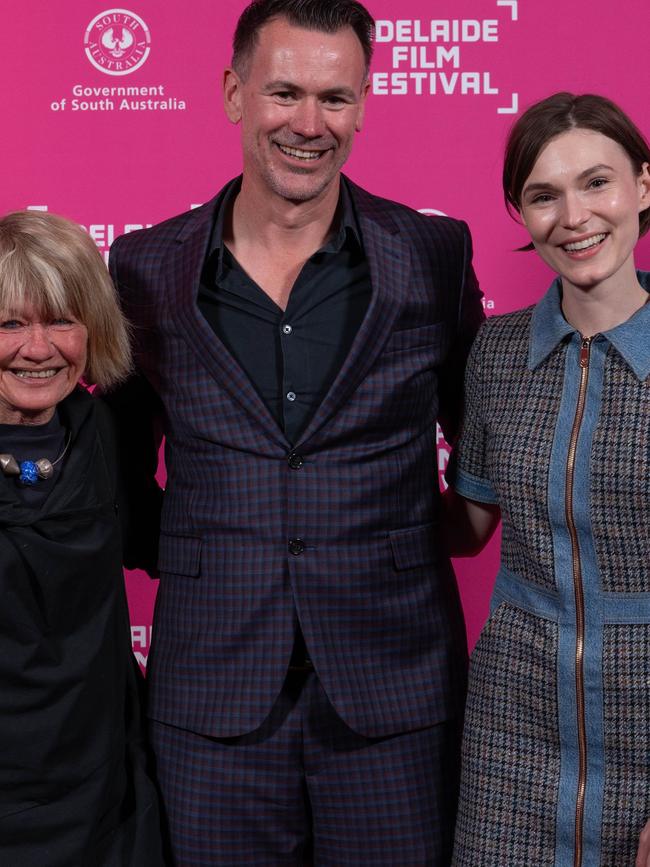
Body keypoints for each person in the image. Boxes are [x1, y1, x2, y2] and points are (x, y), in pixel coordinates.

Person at [106, 0, 484, 863]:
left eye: (336, 98)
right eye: (284, 93)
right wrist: (212, 552)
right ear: (235, 93)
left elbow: (489, 444)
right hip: (211, 697)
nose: (309, 124)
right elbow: (121, 470)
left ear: (364, 103)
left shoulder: (433, 256)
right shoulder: (144, 268)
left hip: (394, 694)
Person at [445, 92, 650, 867]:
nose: (574, 215)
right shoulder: (495, 354)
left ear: (643, 186)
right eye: (543, 194)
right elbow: (466, 526)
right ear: (519, 213)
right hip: (513, 734)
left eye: (596, 183)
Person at [0, 211, 166, 866]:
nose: (38, 348)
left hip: (101, 793)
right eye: (10, 322)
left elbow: (162, 540)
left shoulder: (103, 429)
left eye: (61, 321)